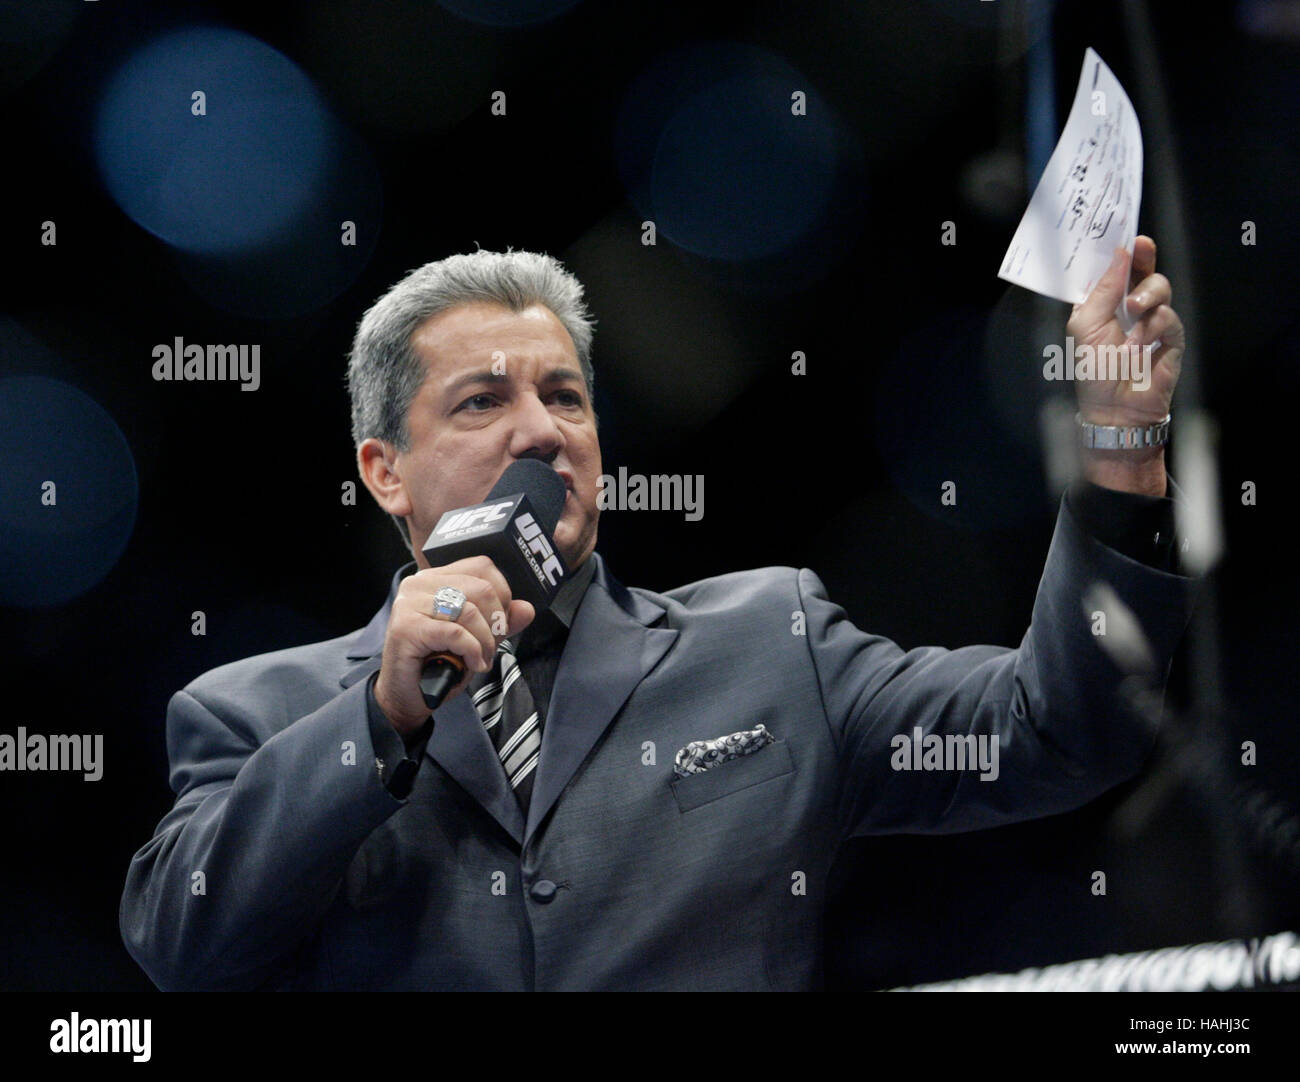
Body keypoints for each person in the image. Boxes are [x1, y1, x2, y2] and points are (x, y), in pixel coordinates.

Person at [120, 241, 1198, 990]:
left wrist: (1117, 454)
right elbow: (182, 943)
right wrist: (375, 721)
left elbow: (1060, 727)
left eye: (568, 395)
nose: (542, 431)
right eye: (483, 400)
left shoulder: (772, 641)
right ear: (384, 471)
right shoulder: (253, 711)